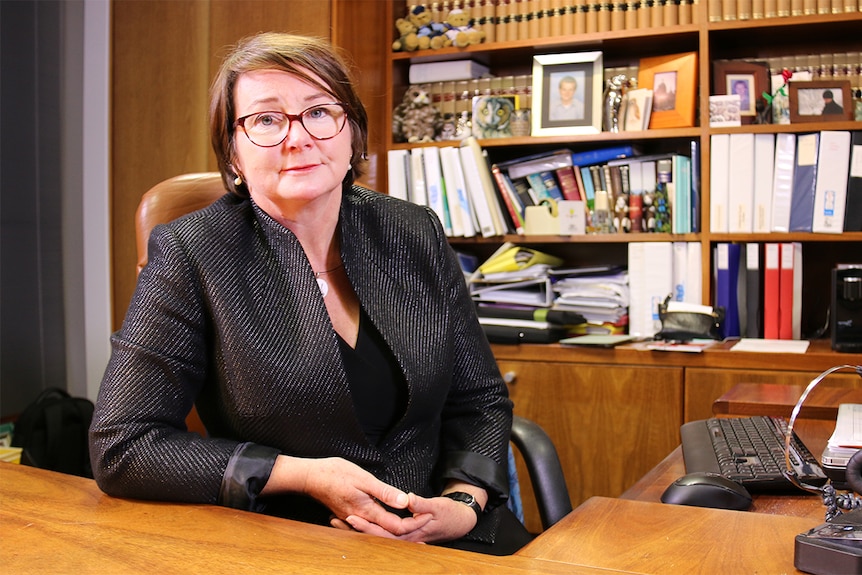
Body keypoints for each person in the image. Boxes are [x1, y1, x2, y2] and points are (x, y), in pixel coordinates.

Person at [89, 32, 531, 555]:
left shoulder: (413, 232)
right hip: (294, 539)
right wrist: (299, 474)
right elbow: (124, 443)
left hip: (444, 534)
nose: (298, 138)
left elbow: (478, 398)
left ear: (353, 136)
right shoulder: (193, 253)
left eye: (320, 112)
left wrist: (464, 502)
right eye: (267, 120)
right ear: (232, 152)